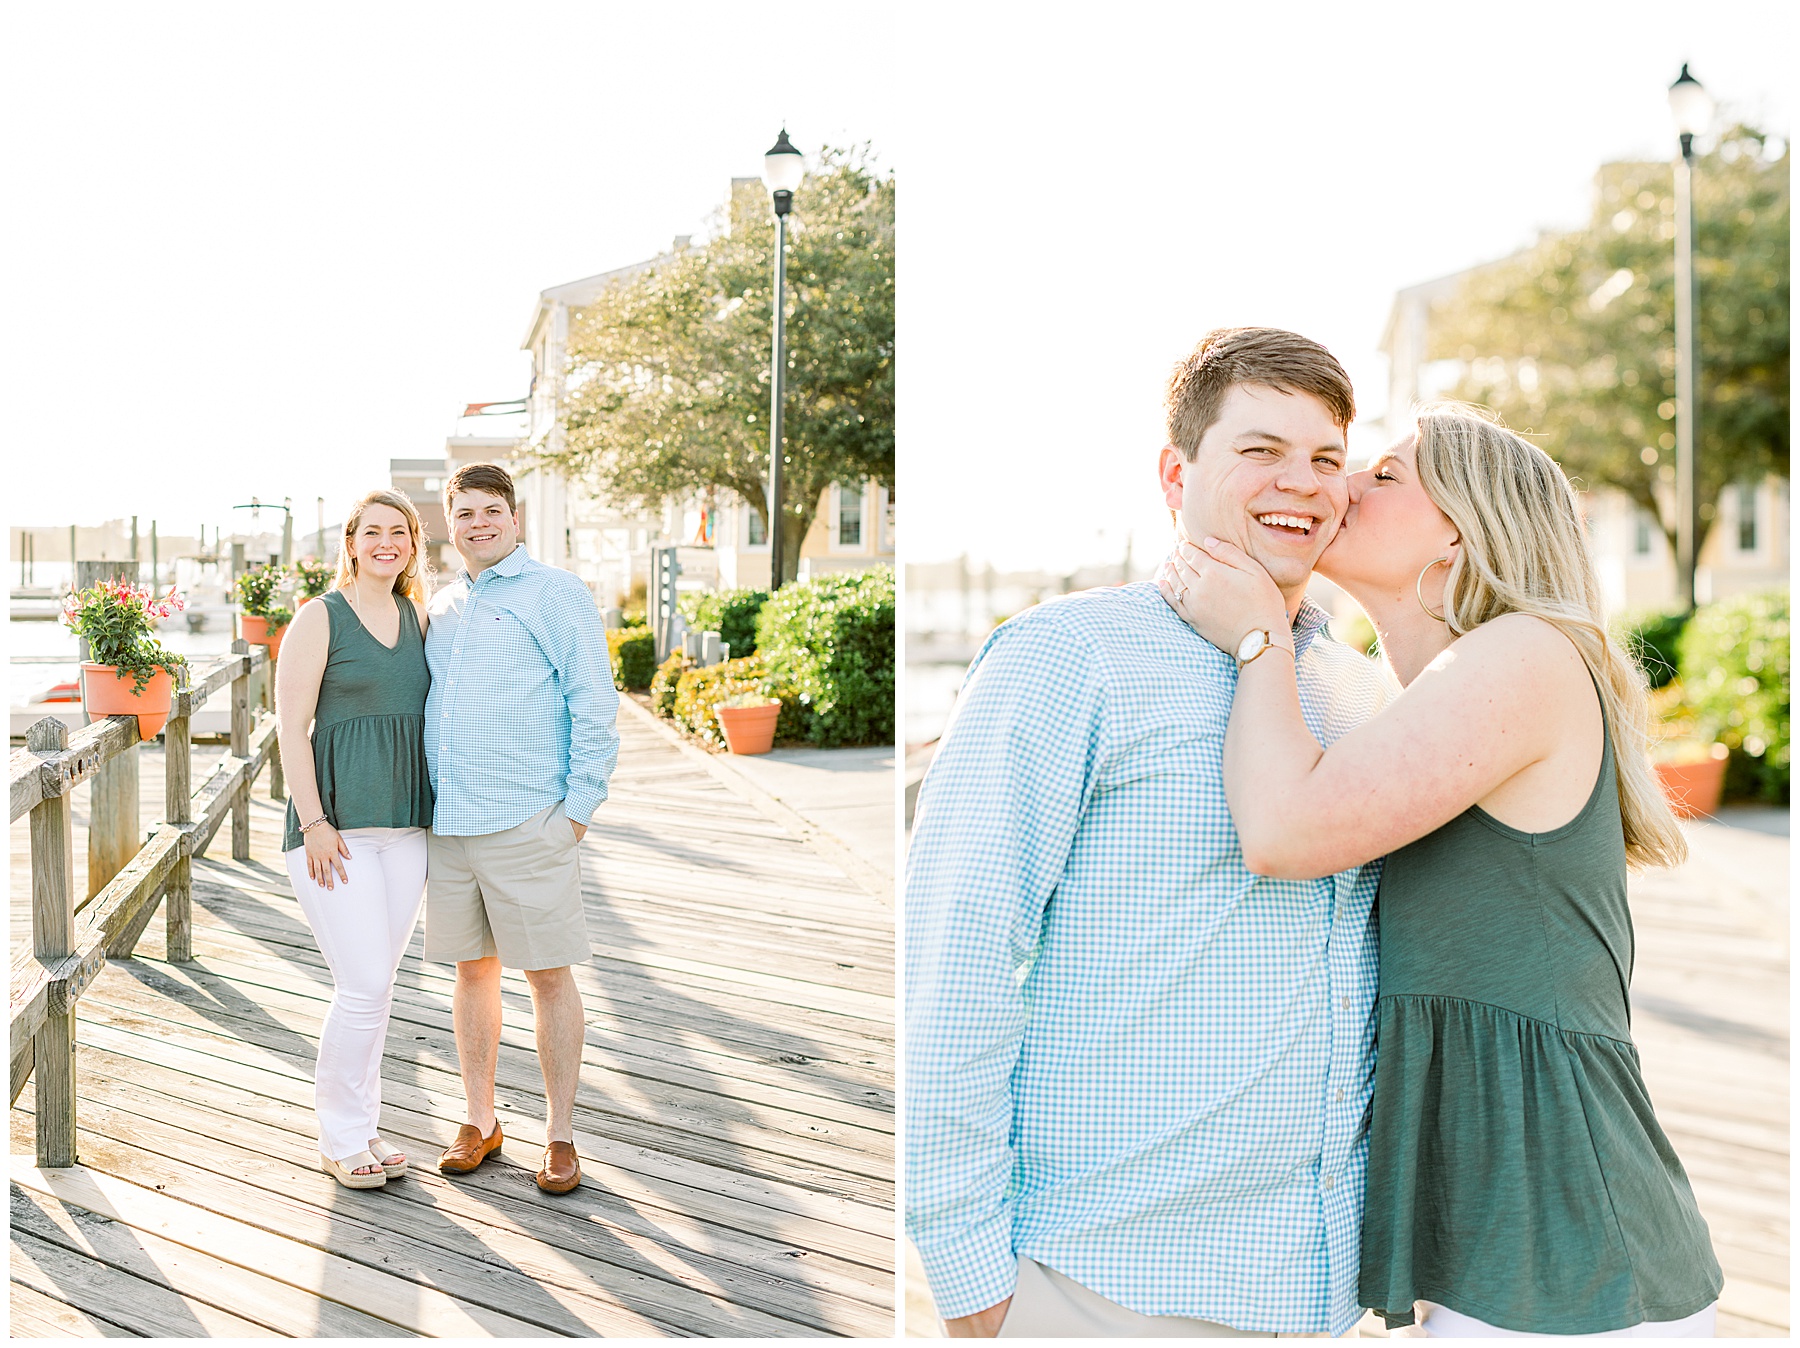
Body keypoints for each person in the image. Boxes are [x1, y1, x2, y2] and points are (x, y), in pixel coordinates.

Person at [1159, 403, 1722, 1337]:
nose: (1339, 487)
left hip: (1567, 1235)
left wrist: (1258, 638)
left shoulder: (1523, 656)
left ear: (1461, 529)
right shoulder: (1418, 690)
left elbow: (1285, 832)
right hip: (1497, 1227)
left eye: (1384, 476)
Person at [907, 328, 1396, 1337]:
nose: (1298, 483)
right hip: (1102, 1280)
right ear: (1177, 474)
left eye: (1324, 458)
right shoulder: (1066, 657)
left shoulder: (1359, 693)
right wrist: (972, 1280)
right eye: (1259, 449)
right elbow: (956, 956)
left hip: (1321, 1287)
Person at [422, 461, 619, 1195]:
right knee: (473, 972)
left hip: (528, 819)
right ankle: (480, 1121)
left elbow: (594, 702)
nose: (478, 524)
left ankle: (560, 1136)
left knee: (545, 976)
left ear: (514, 516)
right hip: (450, 823)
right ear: (450, 523)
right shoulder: (442, 604)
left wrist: (576, 814)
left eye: (490, 511)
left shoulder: (556, 593)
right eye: (464, 513)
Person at [277, 489, 435, 1189]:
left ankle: (363, 1128)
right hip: (332, 834)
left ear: (411, 544)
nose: (384, 543)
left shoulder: (419, 617)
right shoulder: (320, 618)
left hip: (407, 831)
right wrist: (314, 821)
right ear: (351, 542)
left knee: (378, 985)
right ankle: (339, 1138)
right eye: (371, 531)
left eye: (397, 532)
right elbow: (289, 727)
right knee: (364, 983)